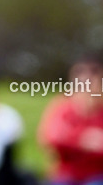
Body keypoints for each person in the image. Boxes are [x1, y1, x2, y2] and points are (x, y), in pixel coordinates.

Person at [39, 56, 103, 185]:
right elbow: (51, 138)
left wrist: (71, 138)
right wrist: (82, 139)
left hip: (97, 174)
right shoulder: (63, 107)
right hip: (66, 173)